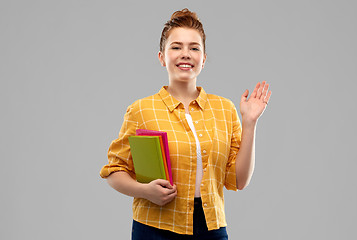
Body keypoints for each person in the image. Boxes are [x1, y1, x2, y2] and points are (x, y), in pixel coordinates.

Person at [100, 8, 272, 240]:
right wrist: (145, 191)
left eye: (194, 48)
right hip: (155, 226)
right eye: (176, 47)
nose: (185, 54)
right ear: (161, 57)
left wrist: (250, 123)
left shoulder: (224, 109)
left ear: (204, 58)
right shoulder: (141, 110)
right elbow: (114, 171)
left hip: (211, 227)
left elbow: (239, 180)